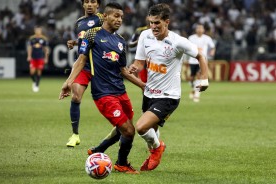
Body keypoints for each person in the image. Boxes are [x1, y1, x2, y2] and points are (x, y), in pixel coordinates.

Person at [59, 2, 144, 174]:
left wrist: (143, 86)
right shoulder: (92, 34)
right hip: (104, 94)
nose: (119, 20)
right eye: (115, 16)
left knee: (126, 128)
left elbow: (123, 71)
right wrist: (69, 82)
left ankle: (98, 150)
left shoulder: (120, 42)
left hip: (121, 92)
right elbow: (81, 60)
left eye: (121, 17)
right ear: (105, 16)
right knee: (128, 130)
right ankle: (122, 163)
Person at [128, 3, 209, 171]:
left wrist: (204, 79)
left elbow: (201, 56)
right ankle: (155, 151)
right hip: (149, 93)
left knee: (141, 127)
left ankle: (158, 150)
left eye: (157, 22)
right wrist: (135, 67)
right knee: (152, 131)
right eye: (151, 22)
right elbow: (140, 62)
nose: (153, 26)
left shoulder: (178, 42)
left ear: (167, 22)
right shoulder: (145, 36)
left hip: (168, 96)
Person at [65, 0, 103, 147]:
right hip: (83, 65)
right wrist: (75, 42)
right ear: (82, 5)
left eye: (93, 1)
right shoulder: (79, 21)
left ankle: (120, 130)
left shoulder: (102, 18)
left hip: (100, 66)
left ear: (98, 5)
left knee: (107, 100)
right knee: (75, 96)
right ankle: (75, 135)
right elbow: (84, 39)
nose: (89, 4)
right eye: (86, 1)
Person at [187, 23, 215, 102]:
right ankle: (193, 89)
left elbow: (212, 47)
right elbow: (187, 47)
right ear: (196, 29)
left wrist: (212, 52)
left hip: (202, 61)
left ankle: (196, 94)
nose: (199, 30)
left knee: (199, 76)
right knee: (191, 78)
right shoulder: (191, 38)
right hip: (192, 60)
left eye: (201, 28)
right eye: (198, 28)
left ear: (203, 30)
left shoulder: (207, 38)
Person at [27, 26, 49, 92]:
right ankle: (34, 81)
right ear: (35, 31)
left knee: (39, 71)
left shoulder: (44, 39)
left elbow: (46, 49)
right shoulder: (32, 38)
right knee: (32, 72)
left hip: (40, 57)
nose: (38, 31)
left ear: (41, 31)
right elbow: (30, 48)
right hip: (33, 57)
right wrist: (29, 56)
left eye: (39, 30)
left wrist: (46, 58)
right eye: (36, 30)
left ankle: (37, 85)